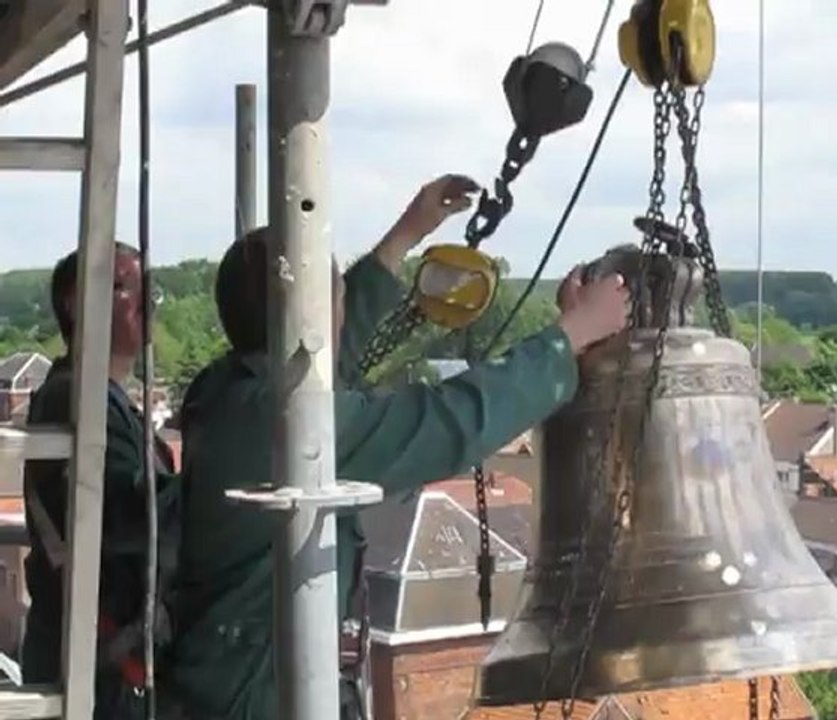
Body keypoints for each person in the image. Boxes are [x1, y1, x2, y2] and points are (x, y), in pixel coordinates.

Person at [168, 174, 630, 720]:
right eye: (335, 292)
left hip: (230, 678)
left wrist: (407, 233)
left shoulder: (233, 391)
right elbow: (443, 423)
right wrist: (571, 335)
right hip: (253, 698)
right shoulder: (286, 421)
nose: (343, 307)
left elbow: (327, 348)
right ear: (312, 313)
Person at [22, 243, 181, 719]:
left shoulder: (101, 403)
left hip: (102, 661)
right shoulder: (73, 402)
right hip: (99, 672)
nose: (146, 298)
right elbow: (123, 518)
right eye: (126, 286)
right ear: (78, 303)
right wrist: (214, 492)